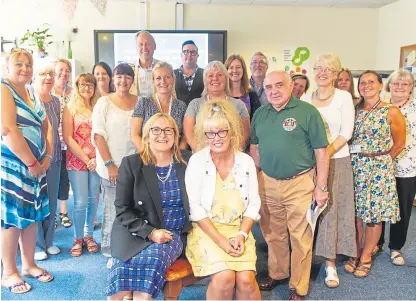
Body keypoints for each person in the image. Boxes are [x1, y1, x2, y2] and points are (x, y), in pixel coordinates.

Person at [250, 71, 329, 300]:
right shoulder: (260, 114)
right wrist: (254, 180)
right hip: (267, 182)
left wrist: (321, 187)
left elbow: (321, 151)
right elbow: (255, 149)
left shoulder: (307, 112)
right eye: (268, 87)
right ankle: (278, 272)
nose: (273, 91)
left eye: (279, 85)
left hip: (300, 183)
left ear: (290, 86)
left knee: (300, 237)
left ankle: (298, 286)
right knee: (273, 234)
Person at [106, 113, 192, 300]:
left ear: (176, 135)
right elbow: (122, 208)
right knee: (118, 281)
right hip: (135, 229)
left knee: (143, 290)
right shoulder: (132, 163)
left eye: (168, 130)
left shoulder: (188, 161)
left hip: (171, 234)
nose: (162, 134)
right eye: (156, 130)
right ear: (146, 135)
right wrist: (150, 232)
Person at [185, 100, 261, 300]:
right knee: (225, 277)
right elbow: (195, 208)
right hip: (207, 232)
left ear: (232, 132)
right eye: (210, 133)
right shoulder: (197, 161)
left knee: (246, 280)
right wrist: (221, 241)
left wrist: (242, 235)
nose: (216, 138)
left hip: (238, 229)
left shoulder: (245, 162)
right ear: (204, 135)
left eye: (222, 132)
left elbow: (253, 204)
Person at [1, 49, 54, 294]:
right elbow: (8, 130)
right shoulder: (3, 88)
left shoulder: (31, 92)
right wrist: (33, 163)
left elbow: (47, 127)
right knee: (13, 218)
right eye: (18, 64)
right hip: (14, 166)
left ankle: (29, 264)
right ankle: (9, 271)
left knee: (31, 215)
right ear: (7, 66)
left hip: (36, 167)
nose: (24, 68)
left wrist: (47, 157)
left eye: (28, 64)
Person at [344, 70, 406, 278]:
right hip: (355, 166)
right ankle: (355, 251)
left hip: (379, 168)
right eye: (362, 82)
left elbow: (399, 143)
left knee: (373, 215)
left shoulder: (391, 111)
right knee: (356, 215)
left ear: (381, 85)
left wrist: (383, 160)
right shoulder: (353, 109)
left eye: (371, 82)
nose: (366, 85)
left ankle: (366, 256)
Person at [302, 54, 356, 288]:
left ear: (335, 74)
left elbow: (346, 132)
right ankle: (304, 259)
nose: (322, 72)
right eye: (318, 68)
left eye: (328, 69)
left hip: (337, 161)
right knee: (308, 211)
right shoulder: (305, 97)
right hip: (308, 163)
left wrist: (324, 154)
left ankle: (330, 264)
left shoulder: (343, 97)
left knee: (331, 212)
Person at [92, 63, 138, 268]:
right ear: (113, 79)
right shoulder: (104, 103)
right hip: (111, 166)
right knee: (112, 210)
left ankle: (131, 247)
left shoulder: (140, 102)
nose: (123, 81)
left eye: (128, 77)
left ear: (132, 80)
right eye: (119, 77)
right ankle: (110, 251)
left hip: (135, 167)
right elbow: (98, 136)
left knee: (134, 210)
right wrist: (110, 164)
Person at [375, 69, 416, 266]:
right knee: (379, 206)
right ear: (389, 86)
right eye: (396, 83)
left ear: (411, 88)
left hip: (407, 168)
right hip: (380, 167)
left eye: (405, 84)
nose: (400, 87)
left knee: (403, 209)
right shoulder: (379, 106)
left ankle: (396, 247)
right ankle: (377, 242)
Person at [62, 73, 100, 257]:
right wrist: (87, 159)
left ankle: (89, 236)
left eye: (91, 85)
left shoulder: (98, 106)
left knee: (94, 199)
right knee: (80, 202)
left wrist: (96, 159)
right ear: (77, 86)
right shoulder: (70, 108)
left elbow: (103, 134)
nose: (87, 88)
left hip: (97, 161)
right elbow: (68, 138)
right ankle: (77, 238)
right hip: (77, 160)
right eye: (83, 84)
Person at [33, 61, 63, 261]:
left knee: (52, 202)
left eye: (51, 73)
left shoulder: (57, 101)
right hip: (34, 159)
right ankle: (37, 244)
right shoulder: (29, 100)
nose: (48, 77)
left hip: (55, 158)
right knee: (36, 202)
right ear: (35, 76)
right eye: (43, 73)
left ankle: (50, 241)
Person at [183, 61, 250, 151]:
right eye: (210, 75)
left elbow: (245, 134)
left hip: (231, 158)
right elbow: (189, 134)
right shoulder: (194, 104)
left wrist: (231, 154)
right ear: (205, 80)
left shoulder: (239, 105)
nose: (215, 78)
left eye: (219, 75)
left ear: (226, 79)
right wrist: (203, 155)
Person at [131, 61, 187, 151]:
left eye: (167, 77)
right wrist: (149, 155)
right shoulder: (143, 103)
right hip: (147, 158)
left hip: (174, 160)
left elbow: (185, 137)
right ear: (153, 81)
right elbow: (134, 135)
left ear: (173, 79)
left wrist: (177, 156)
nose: (163, 81)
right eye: (158, 78)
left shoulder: (181, 106)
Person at [52, 58, 73, 229]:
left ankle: (63, 212)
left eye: (67, 70)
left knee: (64, 179)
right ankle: (50, 214)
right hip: (51, 143)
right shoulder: (46, 91)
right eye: (61, 70)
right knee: (51, 178)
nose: (64, 73)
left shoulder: (73, 93)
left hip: (68, 142)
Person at [225, 54, 261, 119]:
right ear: (226, 71)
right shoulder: (221, 94)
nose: (235, 70)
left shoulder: (252, 95)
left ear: (243, 70)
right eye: (231, 67)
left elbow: (257, 121)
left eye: (238, 67)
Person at [130, 30, 160, 97]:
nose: (144, 48)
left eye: (148, 44)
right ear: (136, 48)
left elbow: (172, 94)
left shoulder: (164, 68)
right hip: (134, 106)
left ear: (155, 46)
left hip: (158, 107)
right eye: (141, 44)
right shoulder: (129, 68)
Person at [174, 40, 204, 106]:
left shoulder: (206, 74)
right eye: (186, 52)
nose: (189, 55)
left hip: (200, 113)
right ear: (181, 55)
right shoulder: (172, 74)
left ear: (197, 56)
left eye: (193, 52)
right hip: (178, 114)